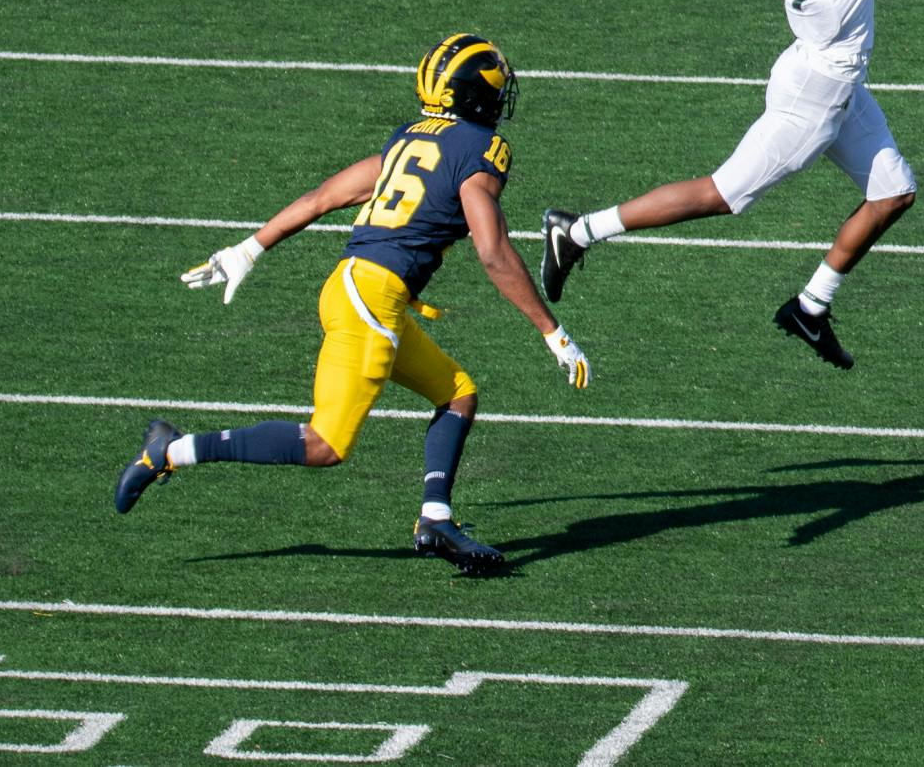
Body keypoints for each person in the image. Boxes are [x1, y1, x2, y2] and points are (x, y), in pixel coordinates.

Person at [112, 32, 590, 575]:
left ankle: (435, 518)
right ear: (477, 96)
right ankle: (170, 450)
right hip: (373, 299)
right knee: (324, 444)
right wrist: (552, 331)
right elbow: (492, 249)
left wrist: (249, 247)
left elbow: (326, 197)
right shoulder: (481, 151)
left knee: (457, 394)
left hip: (354, 286)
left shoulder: (409, 137)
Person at [539, 0, 917, 370]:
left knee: (893, 192)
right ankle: (578, 231)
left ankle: (811, 306)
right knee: (722, 194)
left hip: (814, 65)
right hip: (820, 86)